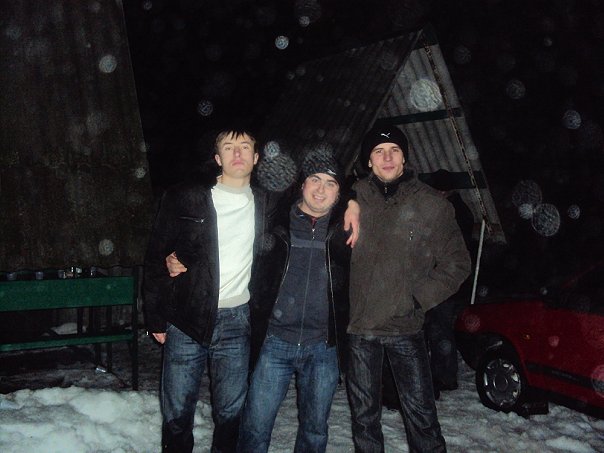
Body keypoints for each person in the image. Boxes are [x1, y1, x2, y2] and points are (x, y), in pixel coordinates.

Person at [143, 128, 273, 453]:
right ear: (217, 158)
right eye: (229, 147)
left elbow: (319, 197)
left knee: (230, 414)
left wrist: (353, 201)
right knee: (177, 413)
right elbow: (157, 253)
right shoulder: (187, 197)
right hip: (185, 317)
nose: (238, 153)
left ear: (256, 157)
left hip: (237, 322)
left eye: (245, 147)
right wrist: (155, 315)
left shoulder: (268, 203)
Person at [346, 125, 471, 453]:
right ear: (368, 161)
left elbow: (458, 263)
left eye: (394, 151)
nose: (387, 157)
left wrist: (417, 299)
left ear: (404, 158)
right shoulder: (354, 199)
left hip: (406, 328)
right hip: (361, 331)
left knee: (422, 418)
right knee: (364, 420)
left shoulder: (431, 205)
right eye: (378, 152)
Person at [238, 156, 350, 453]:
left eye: (330, 183)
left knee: (315, 431)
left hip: (323, 348)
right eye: (315, 180)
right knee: (255, 428)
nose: (321, 190)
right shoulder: (276, 224)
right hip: (274, 342)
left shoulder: (346, 233)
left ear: (339, 193)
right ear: (302, 185)